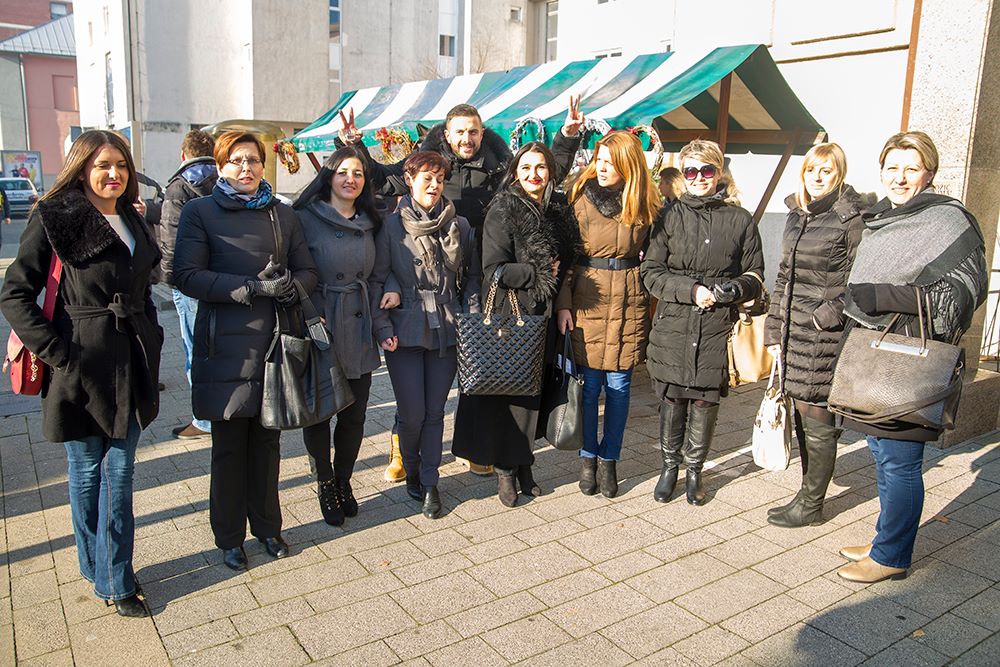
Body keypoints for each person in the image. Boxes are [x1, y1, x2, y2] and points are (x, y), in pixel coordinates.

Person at [0, 130, 163, 617]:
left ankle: (114, 576)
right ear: (82, 168)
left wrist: (152, 335)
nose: (114, 174)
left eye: (121, 165)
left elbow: (144, 288)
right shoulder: (56, 218)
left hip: (131, 360)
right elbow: (15, 293)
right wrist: (56, 352)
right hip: (78, 365)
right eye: (103, 165)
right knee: (88, 470)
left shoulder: (133, 219)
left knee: (120, 472)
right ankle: (96, 566)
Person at [835, 131, 986, 583]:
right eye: (892, 168)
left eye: (911, 168)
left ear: (929, 173)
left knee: (900, 463)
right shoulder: (884, 217)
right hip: (875, 352)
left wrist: (882, 295)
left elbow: (963, 293)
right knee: (882, 453)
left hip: (911, 356)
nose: (899, 178)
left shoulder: (948, 220)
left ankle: (892, 556)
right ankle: (886, 538)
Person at [338, 104, 511, 478]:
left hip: (470, 274)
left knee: (467, 379)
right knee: (412, 396)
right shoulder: (427, 164)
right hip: (418, 280)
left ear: (482, 133)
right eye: (459, 131)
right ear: (447, 134)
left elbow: (534, 182)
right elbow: (383, 180)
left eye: (473, 131)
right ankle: (401, 449)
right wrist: (356, 147)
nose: (467, 138)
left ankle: (469, 445)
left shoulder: (499, 168)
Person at [173, 131, 318, 571]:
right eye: (236, 160)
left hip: (274, 342)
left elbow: (308, 270)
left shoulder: (282, 213)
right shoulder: (200, 211)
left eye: (253, 160)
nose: (246, 168)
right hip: (225, 346)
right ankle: (229, 537)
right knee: (229, 447)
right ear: (220, 166)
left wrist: (290, 286)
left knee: (268, 444)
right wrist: (251, 288)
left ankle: (269, 528)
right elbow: (187, 275)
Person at [452, 142, 580, 506]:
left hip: (545, 316)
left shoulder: (556, 209)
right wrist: (537, 272)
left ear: (550, 172)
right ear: (515, 172)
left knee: (534, 393)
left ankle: (524, 464)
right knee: (511, 396)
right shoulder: (503, 209)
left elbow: (565, 269)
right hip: (512, 315)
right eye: (526, 168)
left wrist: (562, 305)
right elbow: (494, 269)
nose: (533, 175)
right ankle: (506, 470)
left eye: (540, 167)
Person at [642, 139, 764, 505]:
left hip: (716, 326)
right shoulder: (668, 216)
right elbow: (651, 272)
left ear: (718, 172)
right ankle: (669, 467)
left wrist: (733, 289)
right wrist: (691, 289)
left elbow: (755, 273)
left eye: (706, 170)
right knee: (673, 398)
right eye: (691, 171)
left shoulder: (740, 219)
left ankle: (695, 470)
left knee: (705, 401)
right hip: (674, 323)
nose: (698, 178)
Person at [369, 150, 480, 520]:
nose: (434, 185)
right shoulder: (391, 225)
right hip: (404, 328)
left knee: (435, 412)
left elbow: (472, 277)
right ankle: (412, 467)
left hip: (447, 326)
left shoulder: (458, 224)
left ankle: (431, 481)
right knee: (411, 413)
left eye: (440, 179)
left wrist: (470, 317)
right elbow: (377, 278)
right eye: (427, 178)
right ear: (410, 179)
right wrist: (383, 326)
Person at [551, 118, 659, 498]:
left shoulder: (645, 203)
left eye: (610, 162)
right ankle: (587, 459)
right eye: (599, 159)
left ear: (628, 165)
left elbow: (657, 255)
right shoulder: (579, 197)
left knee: (620, 387)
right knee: (588, 387)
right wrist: (563, 304)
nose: (602, 167)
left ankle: (610, 459)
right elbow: (565, 257)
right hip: (587, 297)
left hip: (628, 299)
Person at [761, 143, 867, 528]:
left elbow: (862, 277)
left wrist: (827, 315)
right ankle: (807, 495)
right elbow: (784, 277)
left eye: (826, 170)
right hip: (793, 332)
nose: (817, 177)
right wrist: (774, 329)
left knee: (817, 415)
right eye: (811, 170)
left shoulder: (849, 218)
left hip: (823, 336)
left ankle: (811, 505)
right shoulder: (798, 213)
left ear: (839, 173)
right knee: (801, 411)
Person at [293, 146, 382, 526]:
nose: (351, 179)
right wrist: (313, 312)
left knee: (354, 416)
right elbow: (294, 270)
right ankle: (324, 482)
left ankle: (344, 480)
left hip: (359, 325)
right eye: (343, 171)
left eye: (358, 173)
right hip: (321, 325)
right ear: (328, 175)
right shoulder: (304, 217)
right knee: (319, 413)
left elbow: (378, 275)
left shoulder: (371, 219)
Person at [160, 129, 218, 439]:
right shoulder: (224, 179)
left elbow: (171, 240)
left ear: (184, 154)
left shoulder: (179, 186)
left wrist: (171, 280)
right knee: (218, 348)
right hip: (219, 279)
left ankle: (204, 420)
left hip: (190, 281)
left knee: (195, 350)